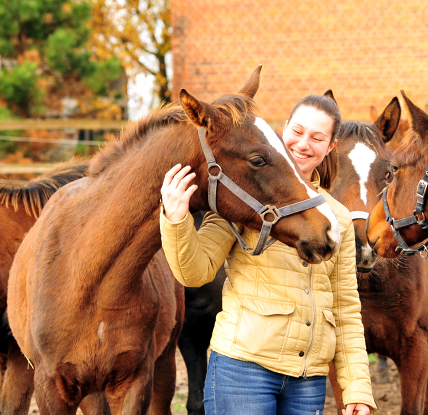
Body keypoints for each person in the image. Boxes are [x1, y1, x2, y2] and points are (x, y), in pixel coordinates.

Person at [160, 93, 376, 415]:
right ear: (283, 130)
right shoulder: (244, 191)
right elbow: (195, 272)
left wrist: (357, 387)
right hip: (244, 370)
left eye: (317, 138)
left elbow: (345, 307)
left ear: (330, 146)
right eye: (298, 131)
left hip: (307, 379)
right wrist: (176, 221)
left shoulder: (338, 218)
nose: (304, 144)